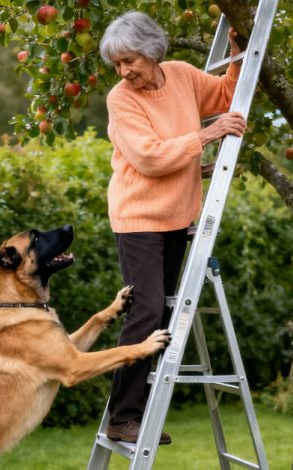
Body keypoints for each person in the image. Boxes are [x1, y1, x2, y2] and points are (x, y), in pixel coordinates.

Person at [98, 11, 247, 444]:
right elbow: (149, 157)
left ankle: (137, 413)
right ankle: (123, 417)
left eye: (129, 61)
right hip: (139, 218)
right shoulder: (121, 99)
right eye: (117, 64)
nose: (124, 72)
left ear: (152, 51)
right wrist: (207, 136)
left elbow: (226, 95)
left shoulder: (182, 75)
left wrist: (238, 55)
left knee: (161, 313)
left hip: (177, 217)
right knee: (145, 311)